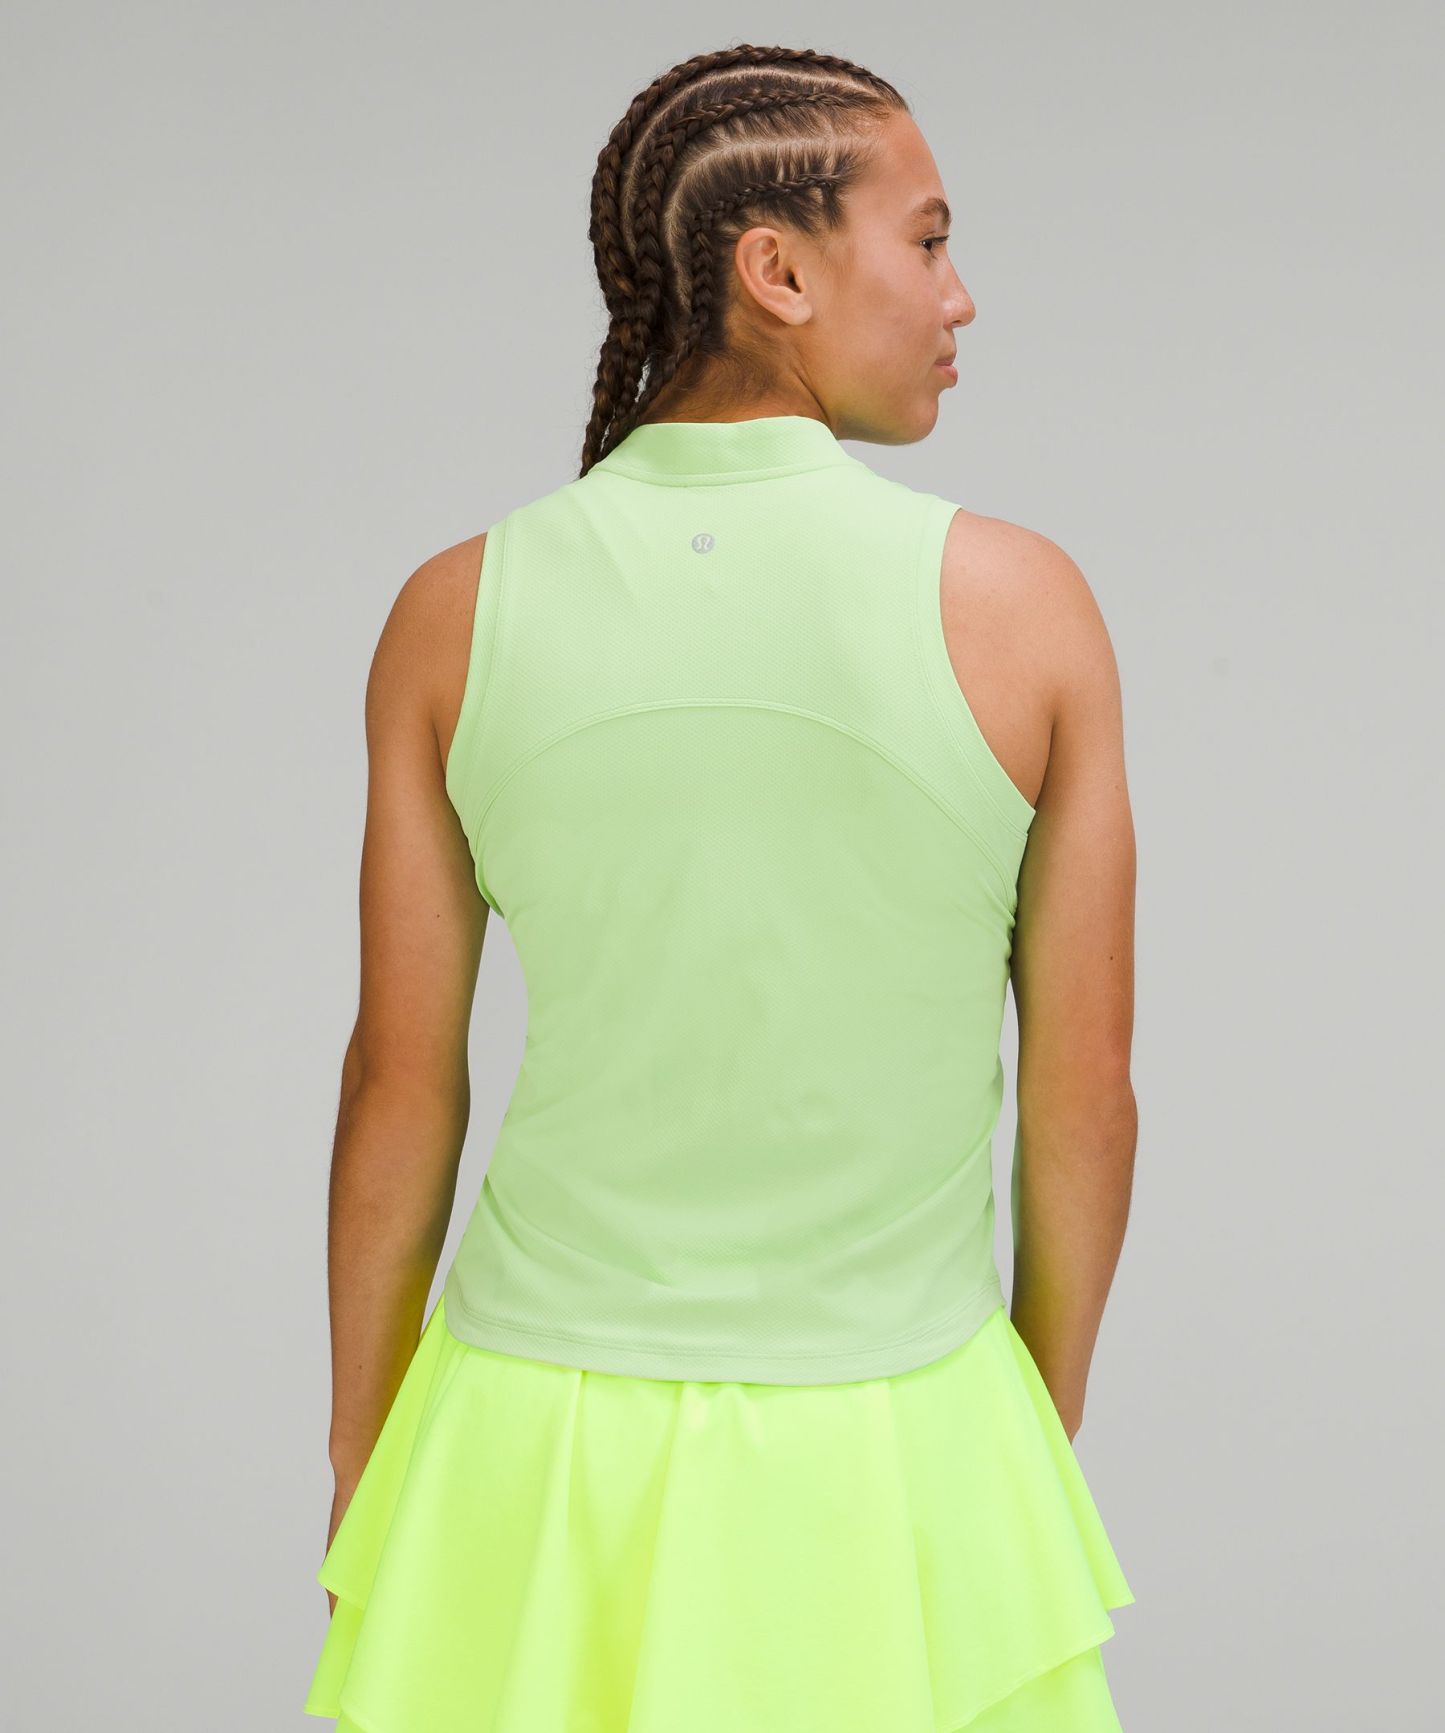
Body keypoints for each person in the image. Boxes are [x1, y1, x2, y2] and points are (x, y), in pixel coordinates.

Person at [304, 42, 1138, 1733]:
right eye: (926, 239)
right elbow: (1083, 1094)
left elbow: (399, 1081)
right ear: (777, 270)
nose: (960, 295)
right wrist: (1024, 1430)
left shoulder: (454, 613)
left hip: (530, 1455)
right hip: (896, 1439)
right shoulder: (1022, 606)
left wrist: (366, 1455)